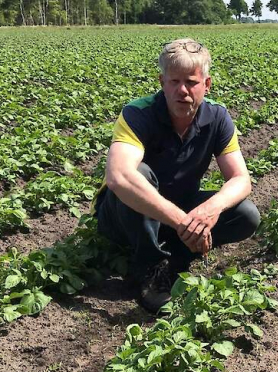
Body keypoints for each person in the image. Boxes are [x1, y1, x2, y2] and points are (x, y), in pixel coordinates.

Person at [93, 38, 260, 313]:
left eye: (191, 82)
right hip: (121, 217)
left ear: (206, 85)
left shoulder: (217, 117)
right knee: (139, 173)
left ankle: (178, 255)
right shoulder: (138, 114)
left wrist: (209, 210)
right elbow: (119, 176)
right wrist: (183, 221)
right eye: (174, 82)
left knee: (245, 215)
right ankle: (149, 267)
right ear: (162, 82)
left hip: (175, 212)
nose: (182, 90)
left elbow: (241, 179)